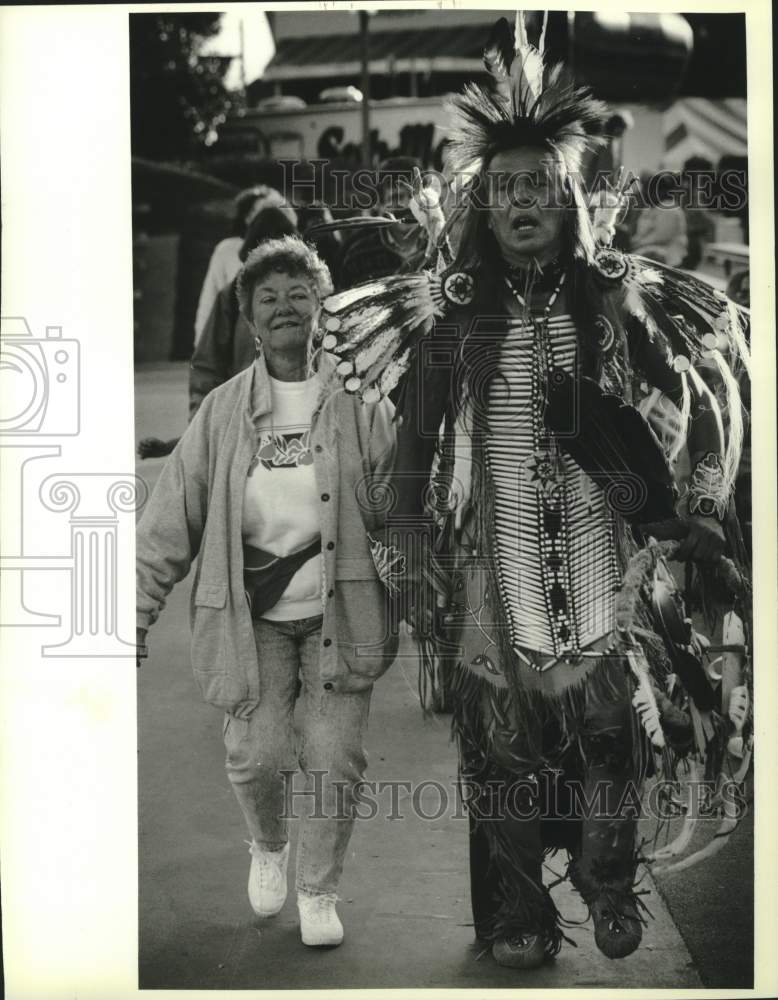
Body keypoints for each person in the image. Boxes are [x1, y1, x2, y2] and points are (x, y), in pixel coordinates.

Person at [319, 15, 750, 970]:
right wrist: (411, 542)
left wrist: (700, 507)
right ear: (483, 206)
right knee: (504, 756)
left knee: (610, 735)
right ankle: (516, 917)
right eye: (505, 189)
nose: (521, 205)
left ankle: (607, 880)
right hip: (493, 571)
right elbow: (418, 446)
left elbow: (700, 397)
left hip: (602, 567)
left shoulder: (621, 300)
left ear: (571, 207)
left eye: (541, 192)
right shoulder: (450, 314)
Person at [136, 236, 398, 949]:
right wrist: (132, 615)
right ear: (251, 318)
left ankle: (318, 890)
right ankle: (267, 845)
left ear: (323, 306)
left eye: (299, 294)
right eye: (268, 298)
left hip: (339, 615)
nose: (285, 308)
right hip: (252, 622)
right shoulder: (222, 412)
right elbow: (169, 520)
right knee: (256, 754)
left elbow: (402, 505)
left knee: (335, 756)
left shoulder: (360, 400)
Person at [189, 205, 299, 419]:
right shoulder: (231, 296)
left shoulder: (312, 295)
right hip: (244, 417)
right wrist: (200, 425)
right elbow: (207, 366)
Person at [193, 186, 296, 347]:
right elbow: (209, 306)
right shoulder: (228, 251)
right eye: (263, 213)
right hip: (241, 345)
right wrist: (203, 350)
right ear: (248, 218)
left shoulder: (297, 258)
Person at [631, 171, 688, 266]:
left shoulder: (670, 209)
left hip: (666, 255)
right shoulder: (651, 208)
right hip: (646, 249)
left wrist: (637, 243)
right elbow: (641, 233)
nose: (644, 193)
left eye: (648, 190)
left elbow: (661, 237)